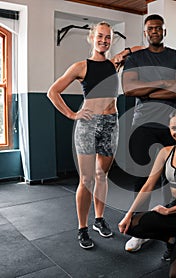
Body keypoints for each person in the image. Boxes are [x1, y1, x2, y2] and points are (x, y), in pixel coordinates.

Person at [47, 21, 139, 249]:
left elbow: (139, 49)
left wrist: (125, 52)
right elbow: (53, 91)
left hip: (111, 123)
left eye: (108, 37)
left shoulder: (113, 64)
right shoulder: (81, 66)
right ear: (91, 37)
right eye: (100, 36)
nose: (103, 41)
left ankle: (99, 220)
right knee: (86, 180)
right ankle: (82, 228)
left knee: (102, 175)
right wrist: (71, 114)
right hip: (88, 125)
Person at [121, 14, 176, 253]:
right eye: (150, 28)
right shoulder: (136, 58)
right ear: (145, 32)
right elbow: (129, 88)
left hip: (173, 126)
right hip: (143, 124)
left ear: (164, 31)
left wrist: (147, 91)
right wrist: (165, 83)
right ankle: (139, 231)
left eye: (158, 28)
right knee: (142, 179)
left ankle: (175, 229)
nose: (154, 31)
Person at [119, 110, 176, 278]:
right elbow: (147, 185)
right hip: (173, 209)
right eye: (173, 128)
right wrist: (128, 214)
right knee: (130, 226)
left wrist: (168, 211)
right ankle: (171, 239)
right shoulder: (165, 152)